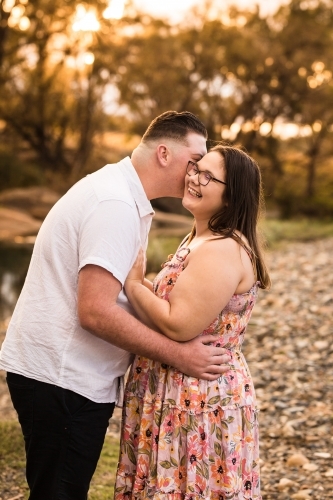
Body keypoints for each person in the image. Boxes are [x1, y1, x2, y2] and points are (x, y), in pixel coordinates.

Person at [0, 111, 231, 500]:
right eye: (194, 162)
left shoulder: (120, 192)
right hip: (63, 378)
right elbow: (95, 310)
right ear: (163, 153)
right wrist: (180, 355)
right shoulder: (115, 204)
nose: (195, 175)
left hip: (64, 376)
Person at [114, 145, 271, 499]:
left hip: (197, 399)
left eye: (208, 177)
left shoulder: (222, 248)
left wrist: (135, 285)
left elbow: (178, 324)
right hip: (174, 393)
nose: (194, 179)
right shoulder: (198, 238)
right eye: (196, 168)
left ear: (230, 199)